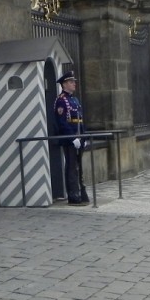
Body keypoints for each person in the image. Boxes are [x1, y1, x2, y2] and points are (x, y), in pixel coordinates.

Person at [53, 71, 90, 206]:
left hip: (79, 138)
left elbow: (80, 120)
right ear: (64, 84)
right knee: (71, 167)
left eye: (74, 82)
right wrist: (72, 138)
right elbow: (62, 122)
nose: (74, 84)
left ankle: (81, 192)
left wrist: (84, 137)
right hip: (70, 139)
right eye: (71, 82)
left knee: (78, 166)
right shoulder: (61, 100)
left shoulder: (75, 100)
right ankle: (73, 194)